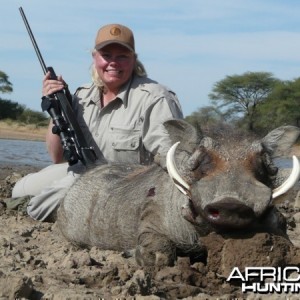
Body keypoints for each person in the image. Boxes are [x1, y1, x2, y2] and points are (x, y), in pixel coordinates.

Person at [8, 23, 183, 221]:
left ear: (134, 60)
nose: (113, 63)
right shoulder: (81, 95)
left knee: (37, 208)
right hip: (80, 172)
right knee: (18, 191)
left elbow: (172, 160)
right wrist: (57, 106)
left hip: (122, 186)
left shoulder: (156, 98)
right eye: (106, 55)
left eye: (122, 56)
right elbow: (57, 157)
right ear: (95, 57)